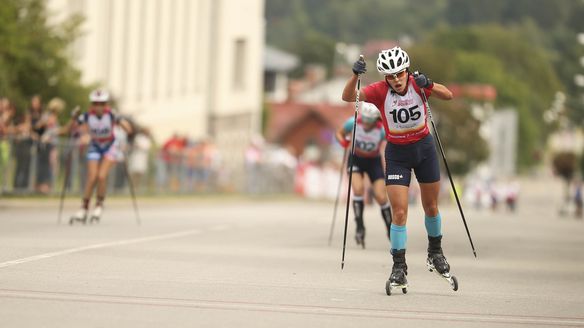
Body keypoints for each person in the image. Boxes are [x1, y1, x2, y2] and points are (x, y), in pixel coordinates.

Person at [342, 46, 454, 290]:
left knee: (431, 206)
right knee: (400, 212)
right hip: (397, 154)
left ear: (406, 71)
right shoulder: (379, 91)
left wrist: (430, 84)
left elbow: (449, 95)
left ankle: (435, 253)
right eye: (390, 76)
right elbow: (348, 97)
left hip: (424, 149)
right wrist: (355, 76)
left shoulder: (417, 83)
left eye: (400, 74)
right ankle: (398, 267)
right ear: (385, 77)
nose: (396, 80)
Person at [64, 89, 133, 223]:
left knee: (101, 176)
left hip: (110, 146)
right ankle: (84, 208)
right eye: (96, 103)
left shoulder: (111, 114)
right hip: (95, 145)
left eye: (102, 104)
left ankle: (99, 205)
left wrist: (121, 121)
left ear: (106, 104)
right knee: (92, 177)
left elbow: (128, 129)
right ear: (92, 104)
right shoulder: (87, 116)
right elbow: (69, 129)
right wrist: (73, 118)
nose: (99, 107)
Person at [335, 102, 392, 247]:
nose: (366, 123)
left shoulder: (381, 129)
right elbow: (339, 133)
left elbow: (393, 143)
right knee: (358, 189)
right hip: (356, 159)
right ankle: (360, 227)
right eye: (364, 119)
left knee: (380, 196)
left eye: (369, 121)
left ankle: (390, 229)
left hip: (373, 161)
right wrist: (343, 142)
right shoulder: (353, 122)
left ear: (376, 119)